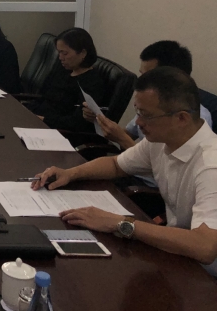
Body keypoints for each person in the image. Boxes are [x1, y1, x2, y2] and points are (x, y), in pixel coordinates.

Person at [33, 67, 217, 276]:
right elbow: (116, 164)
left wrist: (120, 223)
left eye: (146, 115)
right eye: (138, 112)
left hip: (205, 276)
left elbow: (205, 247)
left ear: (181, 118)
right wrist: (71, 173)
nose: (138, 122)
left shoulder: (210, 166)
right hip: (175, 254)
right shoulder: (161, 141)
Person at [84, 40, 212, 150]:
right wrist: (101, 121)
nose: (141, 82)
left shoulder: (196, 120)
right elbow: (128, 135)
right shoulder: (150, 105)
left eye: (147, 77)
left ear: (172, 77)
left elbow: (162, 167)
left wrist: (122, 139)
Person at [33, 27, 106, 133]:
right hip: (38, 119)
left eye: (65, 53)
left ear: (83, 53)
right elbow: (43, 96)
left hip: (56, 130)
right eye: (59, 52)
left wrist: (43, 119)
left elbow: (76, 122)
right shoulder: (63, 70)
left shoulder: (92, 83)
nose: (60, 57)